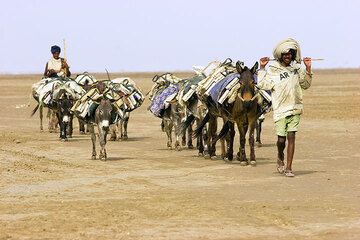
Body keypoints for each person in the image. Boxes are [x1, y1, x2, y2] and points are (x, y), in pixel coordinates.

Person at [257, 38, 313, 177]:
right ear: (280, 55)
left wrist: (308, 68)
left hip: (295, 107)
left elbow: (305, 85)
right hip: (280, 109)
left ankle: (289, 168)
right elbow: (263, 85)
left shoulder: (297, 69)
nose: (288, 56)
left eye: (290, 54)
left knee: (292, 136)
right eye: (285, 54)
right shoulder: (273, 70)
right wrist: (262, 68)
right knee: (281, 140)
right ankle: (280, 156)